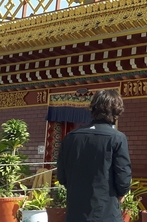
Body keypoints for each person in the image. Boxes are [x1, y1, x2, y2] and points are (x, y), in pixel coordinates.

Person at [57, 89, 132, 222]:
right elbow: (123, 175)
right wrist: (122, 193)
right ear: (117, 111)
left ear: (93, 108)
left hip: (76, 212)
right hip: (106, 210)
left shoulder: (71, 137)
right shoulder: (117, 138)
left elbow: (61, 176)